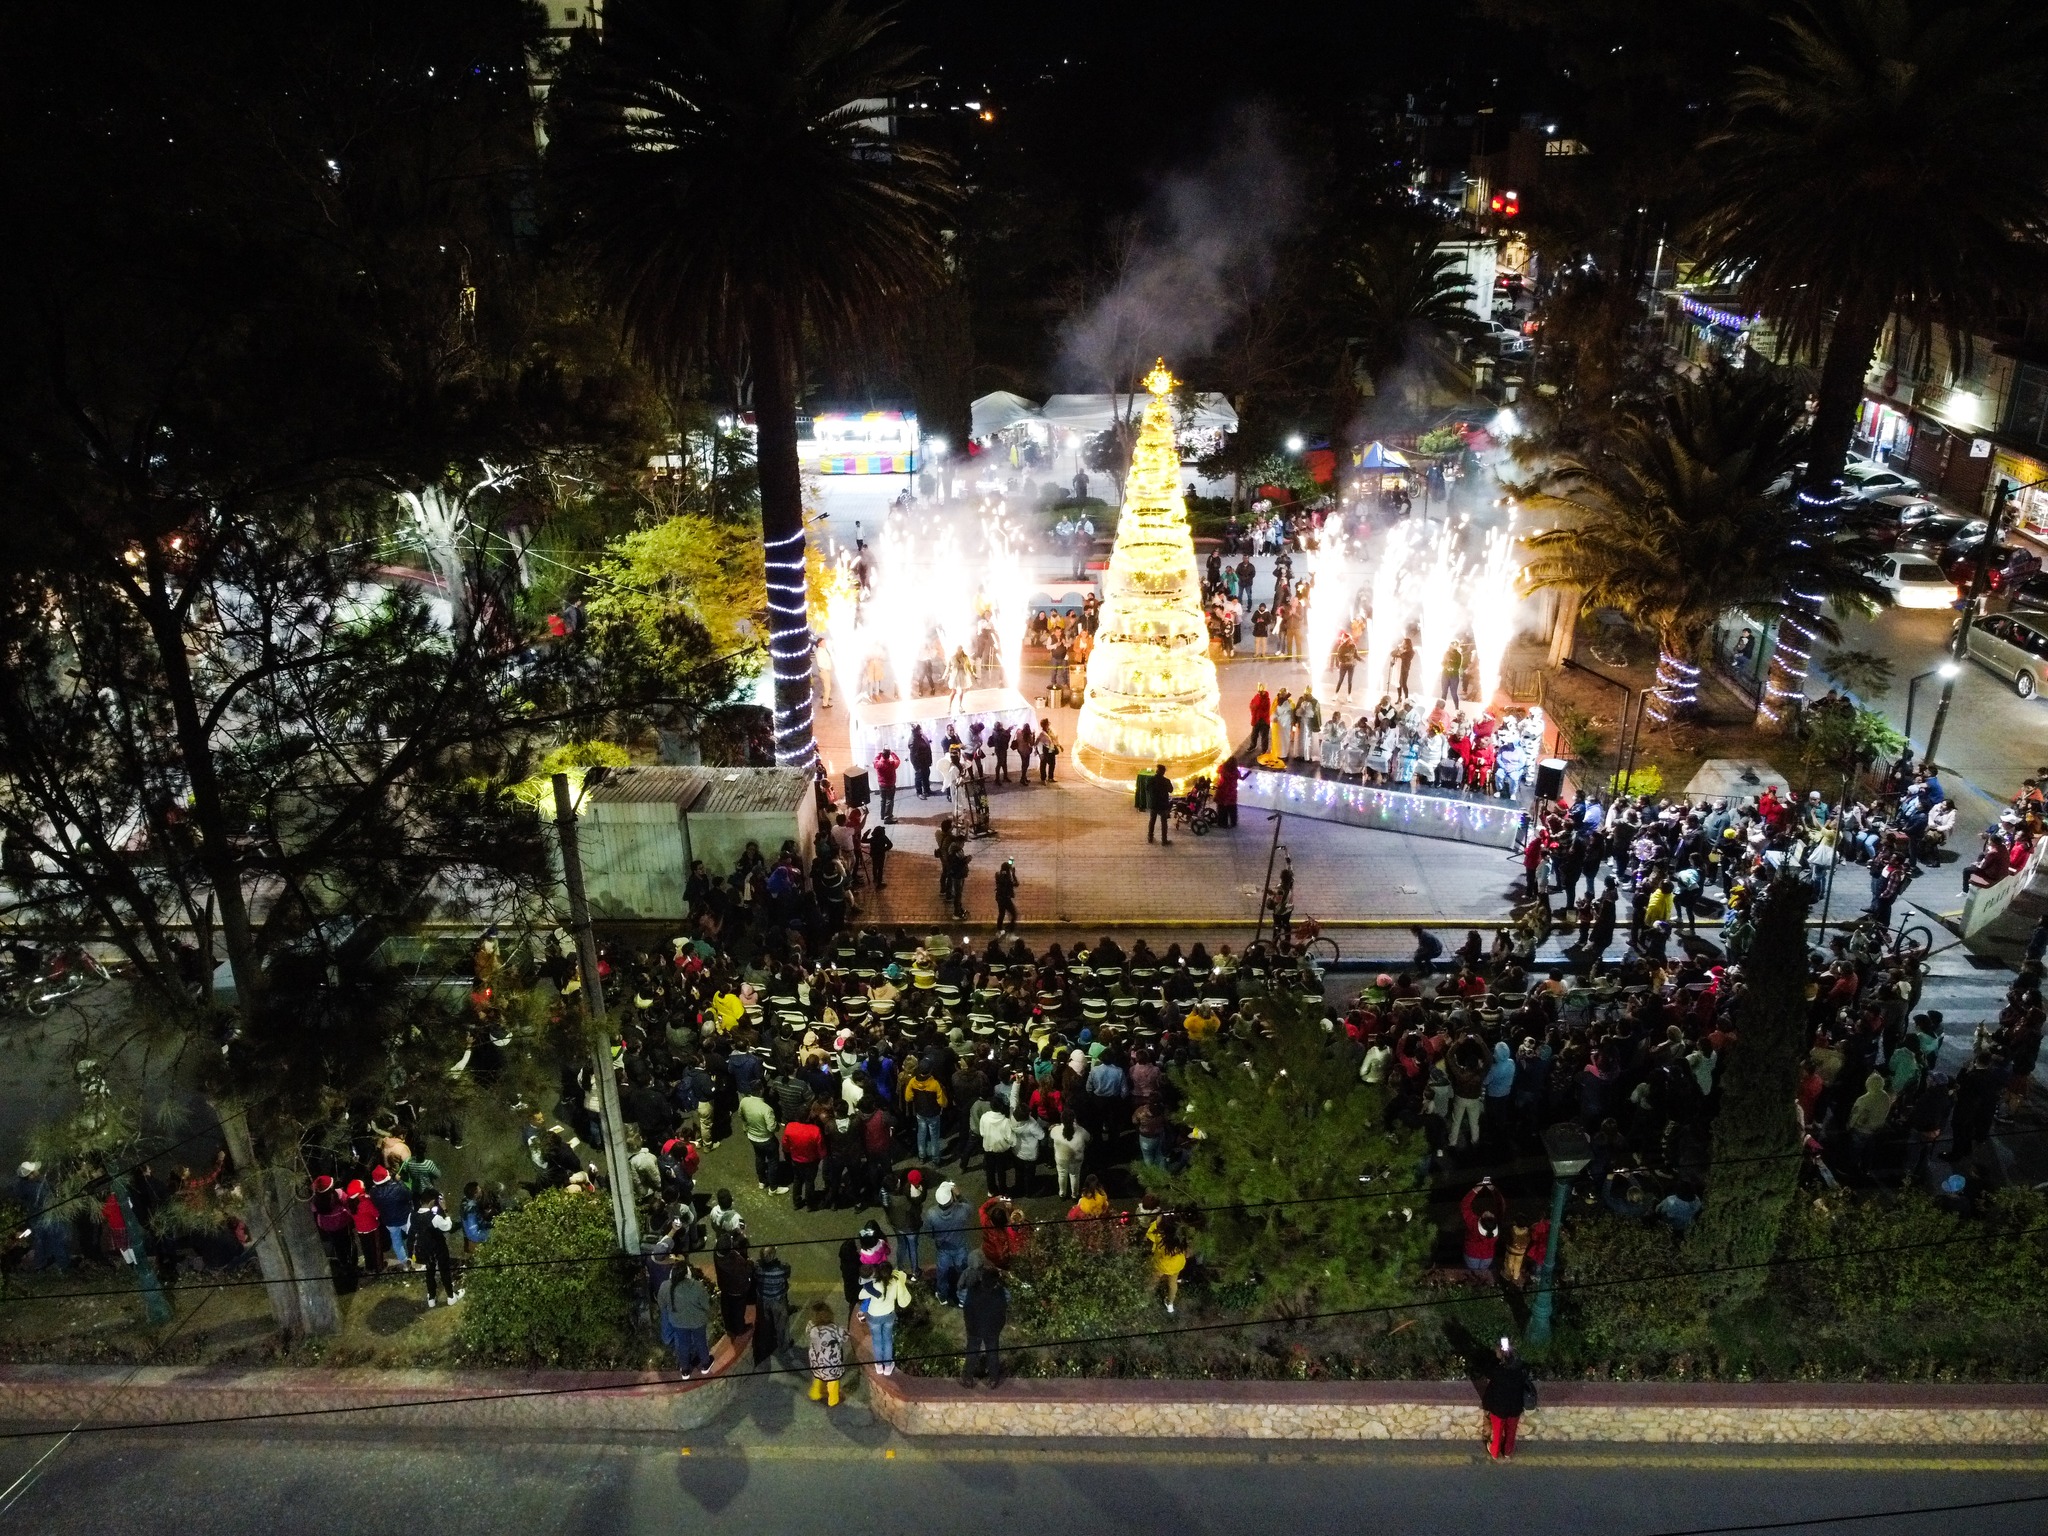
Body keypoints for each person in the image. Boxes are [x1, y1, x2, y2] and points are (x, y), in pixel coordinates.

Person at [1480, 1337, 1534, 1460]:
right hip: (1515, 1406)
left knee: (1498, 1432)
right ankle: (1508, 1452)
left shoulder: (1497, 1371)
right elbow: (1525, 1370)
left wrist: (1495, 1359)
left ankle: (1494, 1452)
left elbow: (1487, 1371)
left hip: (1499, 1407)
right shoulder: (1521, 1369)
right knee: (1511, 1431)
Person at [659, 1259, 714, 1377]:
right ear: (687, 1274)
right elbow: (706, 1305)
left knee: (683, 1344)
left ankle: (685, 1370)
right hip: (697, 1322)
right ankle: (705, 1364)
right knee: (700, 1341)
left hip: (677, 1323)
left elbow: (662, 1305)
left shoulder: (665, 1286)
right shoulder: (697, 1286)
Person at [959, 1260, 1008, 1389]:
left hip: (974, 1327)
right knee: (992, 1353)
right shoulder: (1001, 1293)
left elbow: (965, 1303)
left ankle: (967, 1378)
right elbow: (1004, 1307)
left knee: (972, 1352)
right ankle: (993, 1380)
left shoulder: (972, 1291)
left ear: (982, 1278)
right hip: (992, 1329)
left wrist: (968, 1323)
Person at [859, 1260, 913, 1376]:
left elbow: (861, 1295)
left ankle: (879, 1366)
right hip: (889, 1315)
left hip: (874, 1317)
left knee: (877, 1341)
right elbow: (902, 1276)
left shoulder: (873, 1285)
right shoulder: (895, 1282)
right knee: (888, 1340)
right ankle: (888, 1367)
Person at [926, 1180, 973, 1305]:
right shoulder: (962, 1210)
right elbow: (970, 1208)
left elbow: (928, 1232)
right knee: (963, 1271)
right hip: (960, 1246)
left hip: (943, 1248)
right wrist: (959, 1195)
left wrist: (938, 1239)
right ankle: (963, 1297)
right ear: (951, 1198)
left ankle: (942, 1295)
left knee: (942, 1272)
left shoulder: (931, 1214)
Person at [414, 1190, 461, 1307]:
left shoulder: (413, 1216)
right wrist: (445, 1210)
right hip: (438, 1247)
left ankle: (431, 1298)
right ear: (432, 1202)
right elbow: (447, 1226)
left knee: (429, 1272)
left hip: (424, 1249)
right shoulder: (434, 1218)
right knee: (444, 1270)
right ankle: (451, 1296)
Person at [805, 1300, 850, 1407]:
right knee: (833, 1381)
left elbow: (808, 1333)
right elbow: (845, 1337)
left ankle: (815, 1393)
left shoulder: (811, 1326)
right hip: (830, 1361)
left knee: (818, 1376)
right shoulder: (834, 1329)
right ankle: (833, 1400)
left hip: (816, 1359)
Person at [753, 1245, 792, 1366]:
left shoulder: (758, 1269)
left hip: (763, 1299)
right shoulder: (781, 1270)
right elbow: (787, 1272)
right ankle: (784, 1345)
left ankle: (769, 1342)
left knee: (766, 1323)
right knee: (782, 1324)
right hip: (777, 1300)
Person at [1148, 1213, 1188, 1315]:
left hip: (1162, 1265)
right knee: (1172, 1283)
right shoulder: (1181, 1237)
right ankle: (1170, 1305)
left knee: (1154, 1279)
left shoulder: (1160, 1238)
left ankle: (1146, 1297)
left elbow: (1149, 1234)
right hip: (1177, 1264)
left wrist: (1155, 1223)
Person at [1144, 763, 1173, 845]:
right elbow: (1171, 790)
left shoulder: (1150, 780)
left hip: (1153, 804)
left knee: (1152, 820)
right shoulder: (1166, 781)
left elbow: (1147, 789)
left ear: (1157, 771)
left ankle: (1150, 837)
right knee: (1164, 822)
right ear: (1163, 772)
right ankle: (1164, 840)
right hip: (1163, 804)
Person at [873, 747, 900, 823]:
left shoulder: (878, 764)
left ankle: (882, 815)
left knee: (883, 800)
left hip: (881, 785)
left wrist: (879, 753)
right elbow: (898, 760)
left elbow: (875, 760)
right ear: (888, 756)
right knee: (889, 800)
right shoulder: (891, 764)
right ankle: (887, 817)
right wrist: (892, 753)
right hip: (890, 785)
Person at [995, 858, 1020, 930]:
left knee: (1002, 914)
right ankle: (1010, 929)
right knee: (1014, 914)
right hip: (1005, 898)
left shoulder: (998, 874)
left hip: (1000, 897)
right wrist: (1013, 874)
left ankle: (999, 929)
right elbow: (1016, 884)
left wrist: (1011, 873)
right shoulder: (1005, 877)